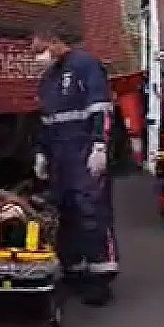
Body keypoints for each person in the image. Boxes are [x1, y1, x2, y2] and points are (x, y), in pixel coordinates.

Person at [31, 25, 119, 307]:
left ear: (55, 43)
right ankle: (75, 270)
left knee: (91, 211)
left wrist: (100, 145)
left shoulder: (85, 65)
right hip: (60, 157)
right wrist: (41, 153)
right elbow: (46, 121)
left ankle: (101, 275)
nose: (37, 57)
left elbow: (101, 109)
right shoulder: (48, 79)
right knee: (64, 212)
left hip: (83, 152)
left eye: (40, 50)